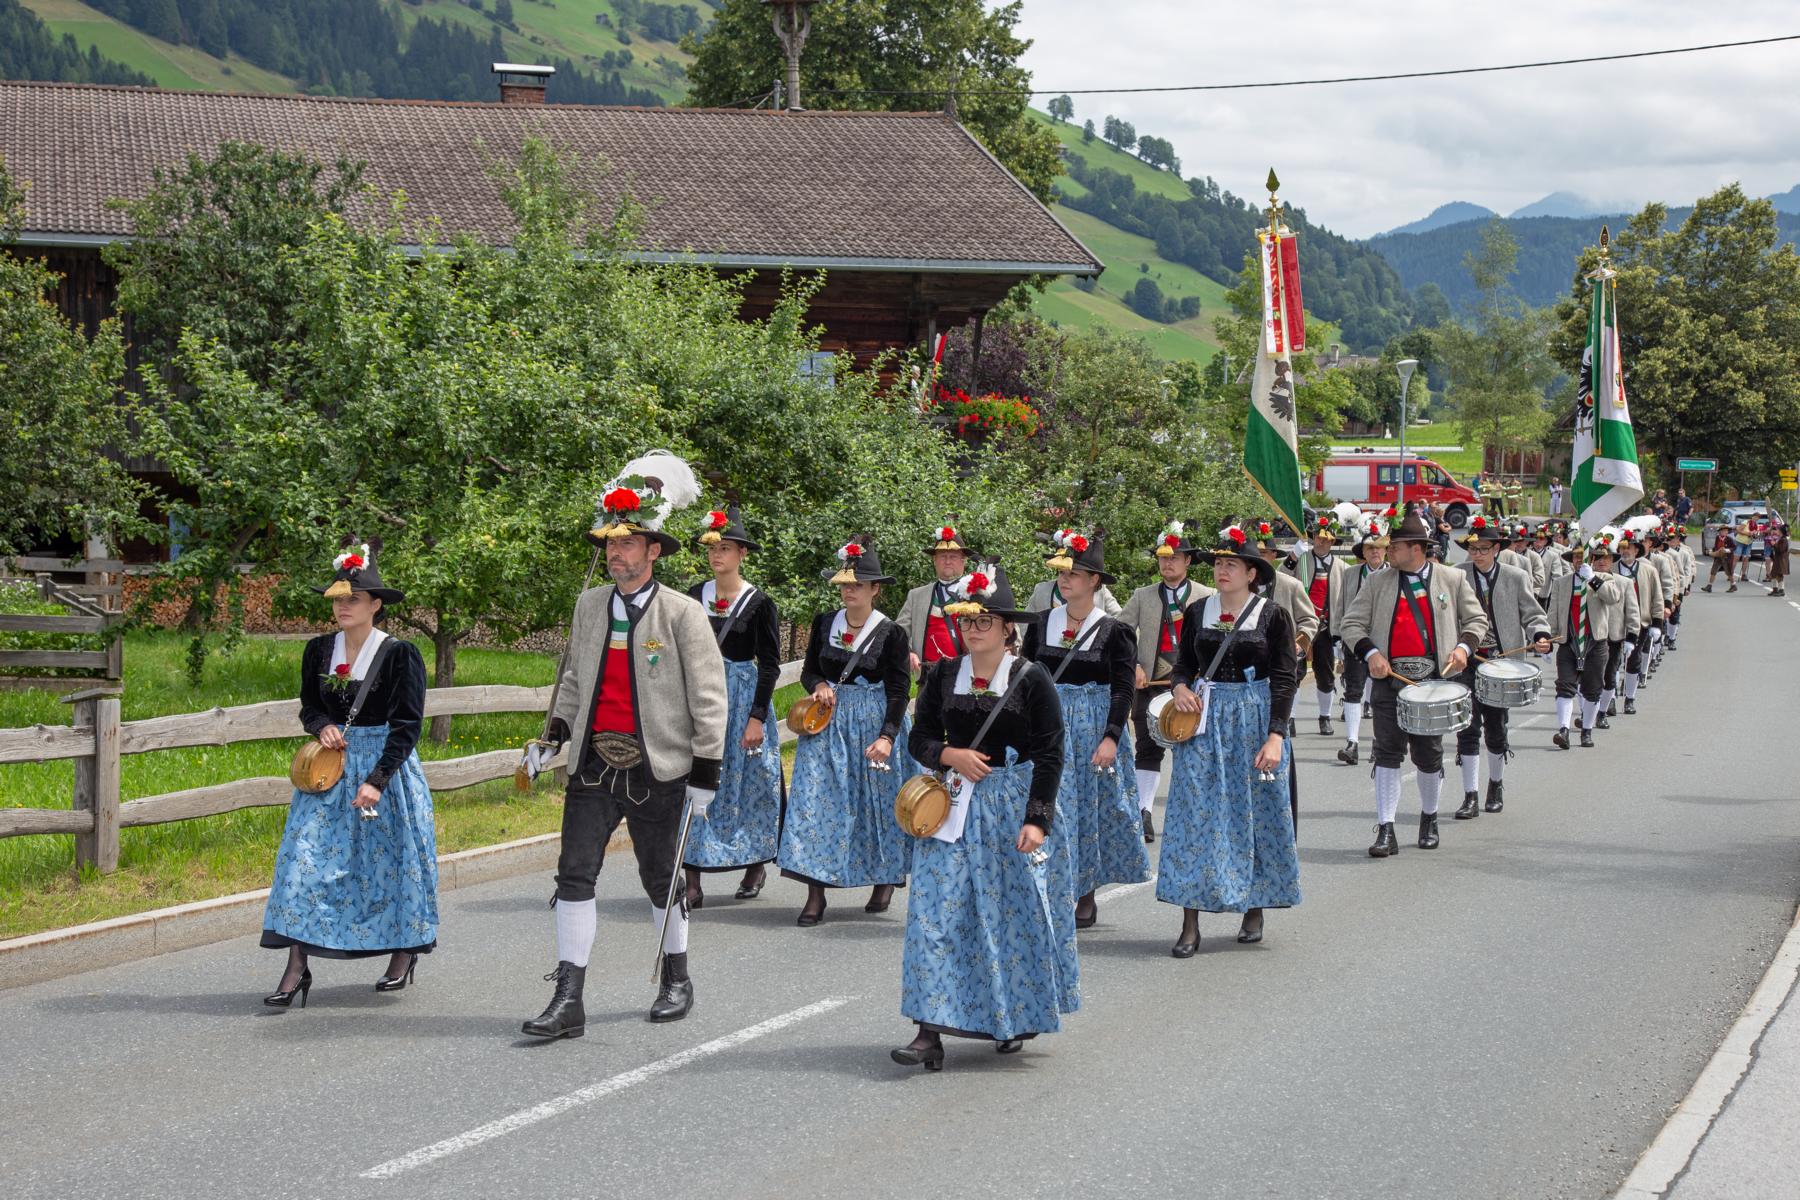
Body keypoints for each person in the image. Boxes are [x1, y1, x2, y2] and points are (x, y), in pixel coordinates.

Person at [522, 456, 728, 1039]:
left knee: (661, 876)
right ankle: (569, 999)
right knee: (574, 876)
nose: (617, 553)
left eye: (630, 542)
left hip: (659, 766)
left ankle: (676, 977)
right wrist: (554, 735)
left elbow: (710, 699)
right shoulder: (590, 605)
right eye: (611, 543)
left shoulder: (684, 613)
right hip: (592, 763)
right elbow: (573, 680)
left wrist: (706, 772)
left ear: (654, 550)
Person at [895, 564, 1068, 1069]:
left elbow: (1051, 753)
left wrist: (1037, 820)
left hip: (1008, 807)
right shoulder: (944, 672)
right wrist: (949, 757)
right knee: (934, 915)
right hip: (950, 808)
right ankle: (928, 1030)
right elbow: (918, 736)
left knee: (1002, 918)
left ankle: (1007, 1015)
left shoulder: (1031, 678)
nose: (973, 630)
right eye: (967, 621)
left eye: (984, 621)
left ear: (1007, 628)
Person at [262, 542, 437, 1009]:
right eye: (338, 598)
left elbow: (407, 727)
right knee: (303, 864)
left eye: (353, 598)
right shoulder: (319, 650)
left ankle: (403, 954)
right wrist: (322, 725)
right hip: (329, 771)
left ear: (376, 605)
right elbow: (309, 706)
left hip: (386, 770)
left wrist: (376, 780)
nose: (343, 605)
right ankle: (296, 968)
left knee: (392, 866)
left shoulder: (401, 655)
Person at [1160, 524, 1300, 955]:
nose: (1222, 570)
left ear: (1252, 573)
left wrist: (1276, 735)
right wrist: (1180, 687)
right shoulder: (1199, 612)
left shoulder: (1274, 616)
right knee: (1192, 814)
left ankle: (1253, 904)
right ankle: (1189, 922)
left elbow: (1284, 678)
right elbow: (1183, 664)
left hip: (1255, 716)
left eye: (1231, 564)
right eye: (1219, 563)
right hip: (1205, 718)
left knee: (1253, 810)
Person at [1019, 530, 1151, 947]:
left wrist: (1112, 736)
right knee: (1047, 805)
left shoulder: (1114, 632)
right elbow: (1024, 678)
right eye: (1064, 571)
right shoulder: (1041, 625)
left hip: (1093, 726)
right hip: (1048, 724)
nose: (1066, 578)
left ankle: (1085, 892)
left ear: (1095, 581)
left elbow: (1122, 689)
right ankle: (1046, 887)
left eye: (1076, 573)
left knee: (1086, 810)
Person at [1337, 507, 1489, 857]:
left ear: (1417, 548)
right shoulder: (1377, 582)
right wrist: (1371, 652)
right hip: (1390, 681)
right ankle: (1386, 828)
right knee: (1387, 752)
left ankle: (1429, 818)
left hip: (1433, 684)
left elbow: (1476, 620)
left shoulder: (1451, 579)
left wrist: (1465, 648)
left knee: (1428, 755)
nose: (1389, 551)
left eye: (1396, 546)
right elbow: (1351, 624)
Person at [779, 537, 915, 926]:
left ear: (875, 589)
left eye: (858, 584)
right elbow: (808, 669)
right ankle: (815, 893)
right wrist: (818, 683)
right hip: (826, 723)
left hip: (874, 723)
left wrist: (888, 736)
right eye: (844, 583)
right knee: (816, 803)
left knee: (876, 806)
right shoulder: (825, 623)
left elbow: (898, 690)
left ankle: (884, 878)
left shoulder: (890, 634)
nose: (849, 589)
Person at [682, 506, 783, 909]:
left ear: (742, 554)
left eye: (725, 548)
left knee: (751, 783)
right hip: (698, 695)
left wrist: (757, 716)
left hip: (741, 699)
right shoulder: (693, 596)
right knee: (692, 777)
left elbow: (770, 664)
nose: (716, 556)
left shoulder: (760, 604)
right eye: (712, 549)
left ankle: (755, 863)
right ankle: (691, 876)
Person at [1118, 520, 1214, 843]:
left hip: (1194, 689)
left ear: (1188, 561)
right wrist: (1132, 664)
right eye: (1162, 557)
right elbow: (1119, 633)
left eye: (1174, 557)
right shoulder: (1142, 596)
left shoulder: (1207, 595)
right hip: (1150, 686)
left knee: (1194, 752)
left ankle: (1194, 817)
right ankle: (1143, 812)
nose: (1167, 563)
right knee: (1146, 748)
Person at [1452, 522, 1551, 818]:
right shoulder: (1457, 576)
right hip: (1466, 660)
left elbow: (1534, 614)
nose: (1477, 554)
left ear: (1497, 549)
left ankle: (1495, 784)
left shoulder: (1515, 577)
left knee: (1496, 728)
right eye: (1472, 549)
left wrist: (1540, 635)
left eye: (1483, 549)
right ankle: (1469, 795)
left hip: (1502, 662)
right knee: (1467, 728)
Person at [1546, 532, 1634, 750]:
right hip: (1569, 642)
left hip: (1595, 642)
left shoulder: (1605, 579)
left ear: (1591, 560)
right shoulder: (1561, 583)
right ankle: (1564, 730)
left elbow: (1613, 598)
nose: (1579, 561)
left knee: (1592, 689)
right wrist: (1547, 640)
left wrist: (1592, 579)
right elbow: (1552, 613)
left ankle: (1586, 730)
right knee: (1565, 685)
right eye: (1575, 557)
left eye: (1582, 557)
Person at [1282, 512, 1352, 737]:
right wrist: (1293, 556)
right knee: (1296, 671)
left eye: (1326, 538)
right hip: (1302, 625)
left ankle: (1324, 717)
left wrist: (1341, 632)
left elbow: (1345, 599)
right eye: (1318, 538)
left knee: (1325, 672)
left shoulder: (1341, 567)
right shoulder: (1301, 560)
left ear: (1332, 541)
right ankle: (1290, 718)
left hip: (1326, 626)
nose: (1321, 541)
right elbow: (1279, 577)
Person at [1335, 511, 1391, 767]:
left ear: (1386, 550)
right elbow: (1341, 605)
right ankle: (1353, 742)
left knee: (1381, 693)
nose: (1374, 552)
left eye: (1379, 547)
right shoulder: (1351, 575)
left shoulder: (1394, 574)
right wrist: (1338, 637)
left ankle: (1380, 742)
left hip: (1385, 641)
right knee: (1353, 690)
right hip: (1354, 639)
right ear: (1363, 552)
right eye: (1369, 548)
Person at [895, 521, 973, 675]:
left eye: (953, 556)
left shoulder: (977, 593)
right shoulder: (916, 596)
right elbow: (898, 633)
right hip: (928, 679)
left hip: (967, 677)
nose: (948, 561)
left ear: (963, 561)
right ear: (934, 561)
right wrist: (908, 652)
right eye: (943, 556)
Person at [1614, 527, 1664, 717]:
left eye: (1630, 548)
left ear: (1637, 550)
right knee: (1613, 662)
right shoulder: (1612, 569)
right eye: (1623, 548)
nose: (1626, 551)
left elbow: (1656, 598)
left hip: (1640, 622)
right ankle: (1610, 698)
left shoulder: (1648, 571)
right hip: (1614, 622)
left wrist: (1657, 623)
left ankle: (1630, 698)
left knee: (1633, 661)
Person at [1028, 527, 1123, 615]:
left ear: (1093, 580)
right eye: (1061, 572)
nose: (1064, 579)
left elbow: (1121, 620)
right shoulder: (1042, 591)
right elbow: (1025, 626)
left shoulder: (1101, 593)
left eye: (1073, 573)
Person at [1704, 524, 1735, 592]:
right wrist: (1711, 550)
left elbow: (1734, 547)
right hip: (1718, 557)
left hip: (1726, 558)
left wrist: (1727, 550)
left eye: (1726, 531)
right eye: (1723, 531)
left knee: (1728, 572)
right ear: (1720, 532)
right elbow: (1716, 547)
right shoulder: (1718, 538)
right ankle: (1709, 586)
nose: (1725, 532)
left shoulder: (1729, 539)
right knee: (1713, 571)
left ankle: (1733, 585)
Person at [1769, 519, 1790, 597]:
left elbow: (1781, 550)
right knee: (1774, 574)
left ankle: (1781, 590)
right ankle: (1775, 589)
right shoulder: (1780, 539)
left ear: (1781, 532)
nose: (1776, 531)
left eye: (1777, 530)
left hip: (1782, 560)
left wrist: (1774, 544)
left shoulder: (1784, 540)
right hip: (1777, 559)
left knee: (1779, 574)